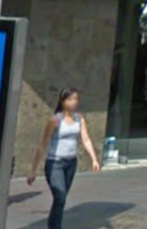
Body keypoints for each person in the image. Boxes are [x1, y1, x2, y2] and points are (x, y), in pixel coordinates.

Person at [27, 87, 102, 229]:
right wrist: (33, 170)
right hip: (55, 163)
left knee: (60, 200)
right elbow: (43, 145)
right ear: (62, 101)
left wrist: (94, 159)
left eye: (76, 99)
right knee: (60, 196)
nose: (74, 102)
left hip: (71, 163)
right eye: (70, 99)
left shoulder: (79, 119)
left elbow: (86, 139)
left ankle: (53, 225)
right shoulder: (55, 120)